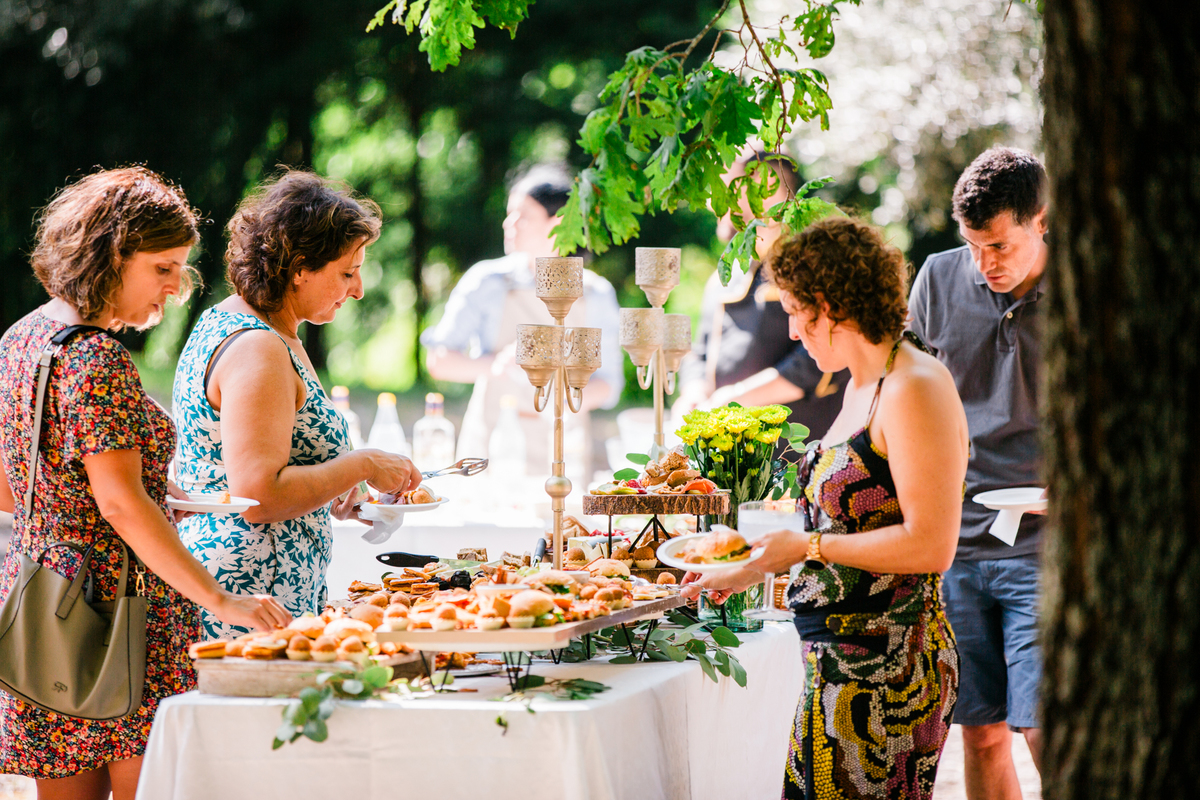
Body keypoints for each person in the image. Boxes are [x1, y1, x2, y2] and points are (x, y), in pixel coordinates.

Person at [0, 167, 290, 800]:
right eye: (161, 267)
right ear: (110, 253)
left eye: (179, 269)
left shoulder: (21, 338)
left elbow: (12, 486)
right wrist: (222, 601)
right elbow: (120, 504)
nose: (173, 289)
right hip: (122, 609)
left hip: (45, 598)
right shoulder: (94, 357)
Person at [684, 217, 969, 799]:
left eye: (796, 312)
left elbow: (932, 545)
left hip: (891, 667)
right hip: (837, 656)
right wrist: (752, 565)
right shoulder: (858, 385)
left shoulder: (914, 385)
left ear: (832, 305)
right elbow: (844, 523)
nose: (791, 331)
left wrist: (806, 548)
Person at [172, 171, 421, 640]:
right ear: (300, 267)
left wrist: (340, 494)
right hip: (249, 591)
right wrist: (360, 464)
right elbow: (258, 495)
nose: (359, 288)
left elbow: (268, 464)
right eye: (347, 272)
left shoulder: (246, 323)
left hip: (262, 583)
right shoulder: (258, 347)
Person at [907, 146, 1049, 800]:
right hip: (956, 542)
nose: (984, 263)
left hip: (1048, 544)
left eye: (998, 245)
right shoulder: (937, 280)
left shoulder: (1097, 290)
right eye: (972, 245)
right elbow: (904, 394)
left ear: (1041, 221)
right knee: (981, 730)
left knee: (1047, 724)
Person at [420, 163, 623, 476]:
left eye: (523, 216)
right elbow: (439, 360)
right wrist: (495, 365)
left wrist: (563, 397)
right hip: (489, 453)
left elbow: (610, 384)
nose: (508, 224)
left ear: (558, 223)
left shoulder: (594, 293)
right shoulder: (486, 281)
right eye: (508, 213)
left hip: (562, 454)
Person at [673, 153, 847, 443]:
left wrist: (734, 400)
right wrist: (693, 393)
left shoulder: (813, 270)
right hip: (730, 449)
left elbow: (818, 363)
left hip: (794, 450)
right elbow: (699, 353)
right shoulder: (724, 275)